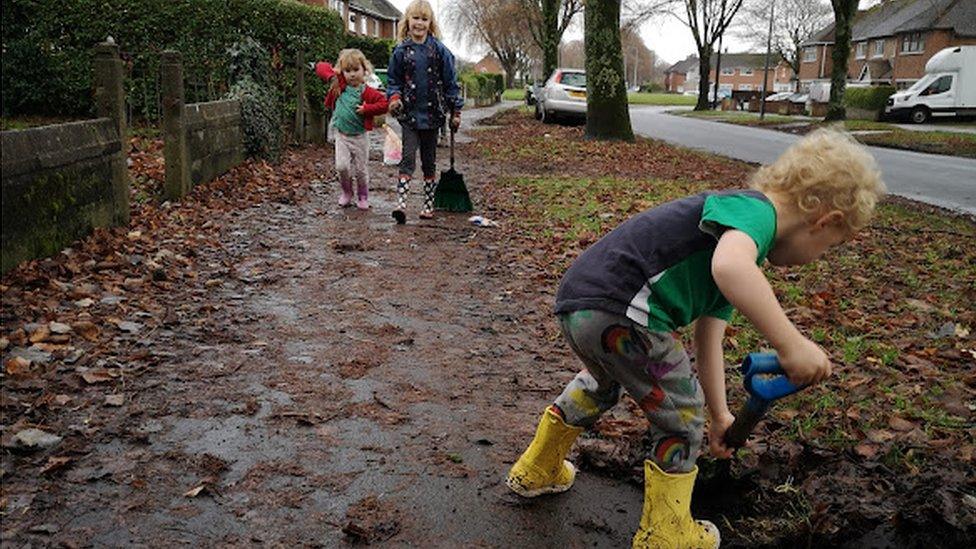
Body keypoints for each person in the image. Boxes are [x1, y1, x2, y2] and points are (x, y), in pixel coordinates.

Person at [505, 128, 885, 548]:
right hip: (627, 313)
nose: (818, 257)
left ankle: (536, 469)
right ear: (824, 222)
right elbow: (732, 269)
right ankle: (665, 534)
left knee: (599, 385)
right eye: (830, 246)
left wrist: (721, 416)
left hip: (581, 306)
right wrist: (791, 344)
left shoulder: (736, 235)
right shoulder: (754, 215)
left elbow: (709, 341)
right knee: (681, 418)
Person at [386, 0, 463, 224]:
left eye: (424, 19)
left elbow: (451, 83)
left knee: (428, 161)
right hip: (409, 115)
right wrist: (394, 98)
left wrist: (455, 111)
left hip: (433, 115)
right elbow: (393, 81)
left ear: (430, 24)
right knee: (407, 158)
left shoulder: (439, 51)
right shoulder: (400, 51)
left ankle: (428, 204)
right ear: (407, 22)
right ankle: (401, 205)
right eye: (415, 18)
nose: (419, 23)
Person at [315, 49, 388, 210]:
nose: (352, 75)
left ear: (365, 70)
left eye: (356, 70)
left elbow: (384, 103)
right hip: (342, 135)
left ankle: (362, 195)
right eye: (347, 71)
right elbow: (320, 66)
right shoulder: (340, 86)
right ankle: (347, 192)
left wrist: (367, 109)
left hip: (360, 136)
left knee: (361, 170)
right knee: (342, 167)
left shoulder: (367, 92)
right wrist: (333, 76)